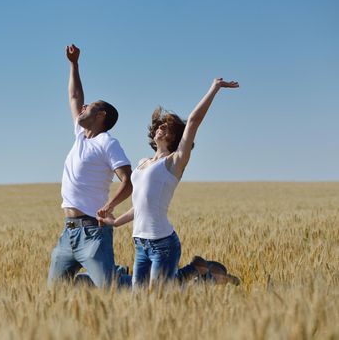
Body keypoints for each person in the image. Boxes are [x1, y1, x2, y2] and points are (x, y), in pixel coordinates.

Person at [98, 78, 240, 288]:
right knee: (141, 295)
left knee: (160, 295)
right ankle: (197, 269)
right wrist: (115, 221)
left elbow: (193, 121)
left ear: (175, 136)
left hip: (163, 243)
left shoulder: (174, 162)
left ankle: (208, 278)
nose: (161, 129)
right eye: (159, 126)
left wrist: (215, 88)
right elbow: (140, 205)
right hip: (140, 243)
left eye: (167, 128)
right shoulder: (142, 163)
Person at [47, 44, 133, 288]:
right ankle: (115, 272)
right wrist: (74, 64)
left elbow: (128, 182)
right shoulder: (80, 135)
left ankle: (158, 280)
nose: (83, 108)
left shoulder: (108, 143)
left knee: (109, 290)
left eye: (90, 107)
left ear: (101, 115)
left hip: (93, 232)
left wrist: (109, 206)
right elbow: (75, 97)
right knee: (56, 291)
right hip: (69, 231)